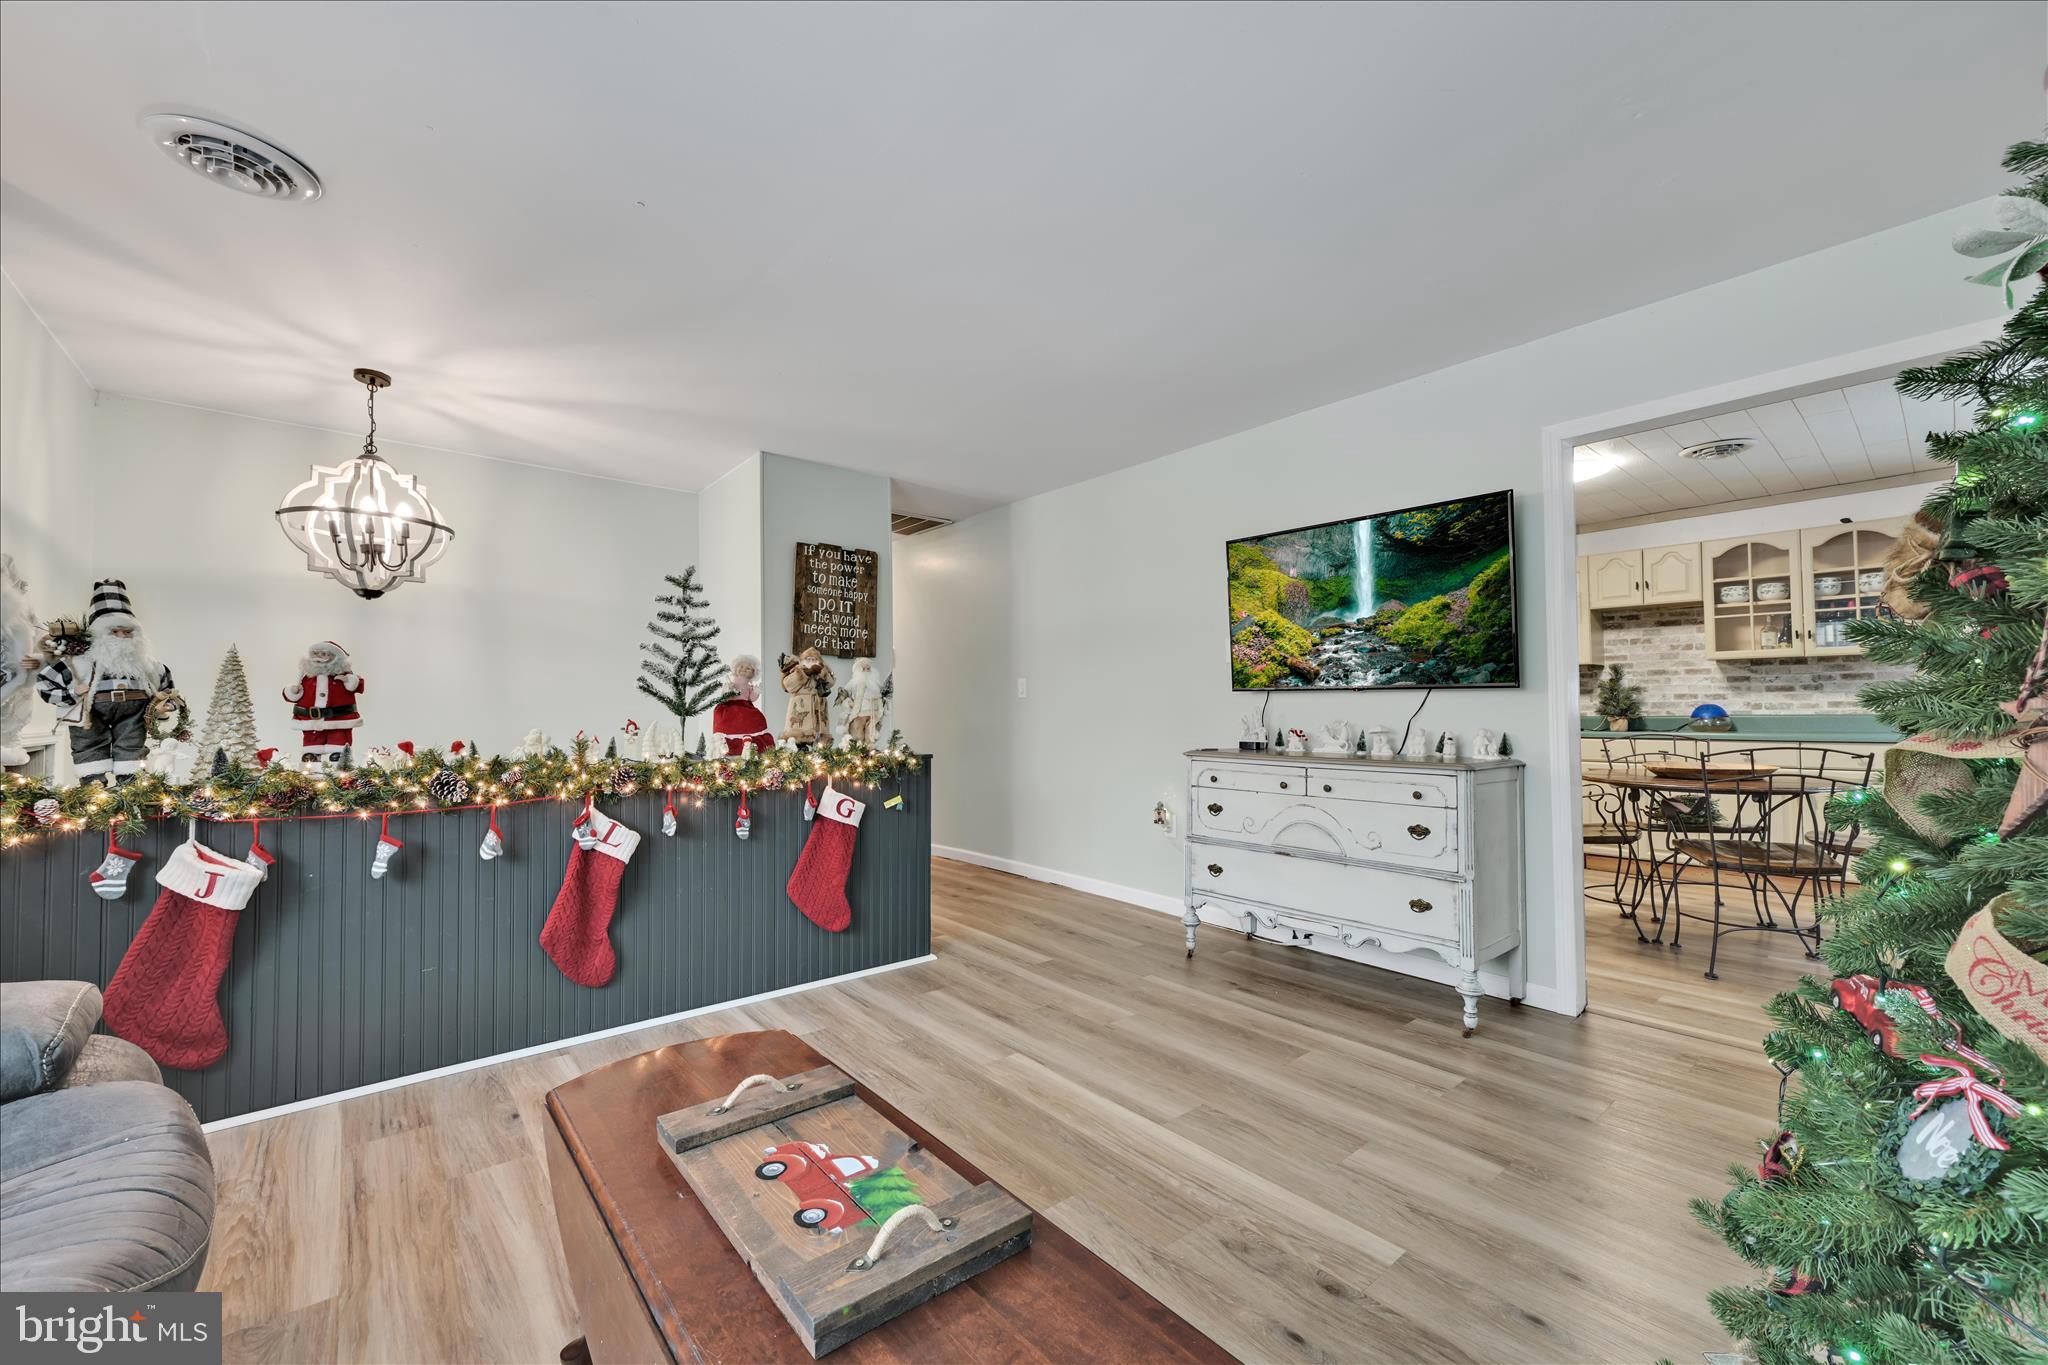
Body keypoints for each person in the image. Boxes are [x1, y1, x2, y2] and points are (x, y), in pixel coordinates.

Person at [35, 579, 173, 784]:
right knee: (88, 743)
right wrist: (71, 695)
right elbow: (45, 682)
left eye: (127, 632)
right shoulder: (78, 662)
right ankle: (93, 786)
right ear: (99, 634)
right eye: (114, 631)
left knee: (132, 745)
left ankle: (131, 784)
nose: (122, 637)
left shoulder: (147, 665)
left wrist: (162, 707)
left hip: (133, 713)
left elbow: (166, 689)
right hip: (90, 711)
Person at [284, 640, 364, 765]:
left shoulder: (343, 676)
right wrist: (293, 691)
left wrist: (348, 679)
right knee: (312, 745)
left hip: (339, 720)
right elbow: (295, 696)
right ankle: (311, 767)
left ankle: (338, 765)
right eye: (315, 653)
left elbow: (356, 686)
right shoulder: (307, 677)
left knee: (339, 743)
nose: (318, 657)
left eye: (323, 654)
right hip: (311, 721)